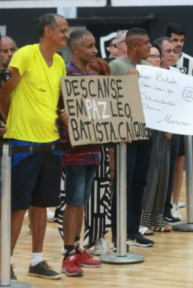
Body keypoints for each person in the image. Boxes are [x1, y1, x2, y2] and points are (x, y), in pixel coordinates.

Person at [0, 13, 69, 280]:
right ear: (48, 31)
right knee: (18, 205)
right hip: (22, 143)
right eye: (62, 30)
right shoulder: (25, 55)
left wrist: (62, 114)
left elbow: (59, 99)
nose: (66, 34)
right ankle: (4, 263)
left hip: (51, 143)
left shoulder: (60, 61)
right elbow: (4, 91)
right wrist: (8, 119)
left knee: (41, 204)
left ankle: (37, 260)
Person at [56, 28, 102, 276]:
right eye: (90, 46)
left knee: (82, 201)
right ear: (75, 48)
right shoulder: (64, 73)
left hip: (93, 148)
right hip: (73, 150)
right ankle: (67, 255)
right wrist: (61, 119)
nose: (95, 50)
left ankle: (77, 247)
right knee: (73, 202)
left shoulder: (93, 76)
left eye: (95, 45)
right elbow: (52, 111)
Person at [109, 27, 154, 250]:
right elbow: (107, 97)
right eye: (146, 43)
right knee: (122, 184)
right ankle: (118, 233)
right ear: (135, 45)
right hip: (125, 135)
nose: (149, 46)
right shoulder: (116, 66)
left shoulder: (149, 68)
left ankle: (133, 231)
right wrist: (125, 83)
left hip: (146, 131)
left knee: (139, 182)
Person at [165, 23, 193, 219]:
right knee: (160, 164)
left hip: (180, 121)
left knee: (179, 162)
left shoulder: (192, 63)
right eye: (174, 40)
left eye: (181, 41)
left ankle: (173, 204)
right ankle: (158, 204)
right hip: (160, 120)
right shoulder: (157, 60)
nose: (178, 44)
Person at [140, 40, 175, 235]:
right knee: (150, 175)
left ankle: (157, 218)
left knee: (162, 173)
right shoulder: (141, 77)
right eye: (152, 56)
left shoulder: (167, 77)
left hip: (164, 132)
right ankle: (141, 220)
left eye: (157, 56)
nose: (157, 59)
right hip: (146, 132)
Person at [83, 58, 114, 255]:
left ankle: (99, 236)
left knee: (100, 196)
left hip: (101, 151)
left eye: (98, 74)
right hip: (77, 151)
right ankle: (72, 242)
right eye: (90, 73)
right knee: (76, 196)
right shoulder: (77, 95)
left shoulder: (110, 100)